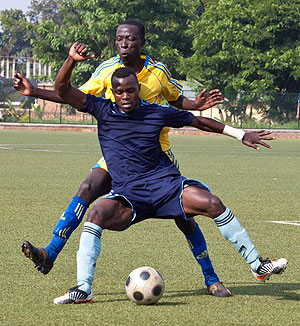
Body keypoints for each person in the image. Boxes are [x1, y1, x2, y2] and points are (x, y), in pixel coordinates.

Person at [51, 43, 287, 304]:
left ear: (138, 89)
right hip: (129, 195)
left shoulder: (156, 112)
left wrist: (241, 134)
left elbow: (198, 121)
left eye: (131, 90)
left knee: (212, 203)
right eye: (120, 92)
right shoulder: (102, 109)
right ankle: (84, 289)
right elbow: (62, 90)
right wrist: (71, 60)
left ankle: (257, 265)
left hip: (167, 187)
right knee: (95, 215)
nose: (126, 95)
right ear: (113, 93)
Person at [15, 20, 229, 297]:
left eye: (130, 39)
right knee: (87, 188)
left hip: (157, 158)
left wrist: (196, 105)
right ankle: (50, 253)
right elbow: (70, 94)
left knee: (185, 218)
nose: (124, 43)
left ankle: (211, 278)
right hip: (118, 155)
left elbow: (176, 100)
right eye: (119, 39)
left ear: (142, 42)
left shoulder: (158, 71)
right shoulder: (107, 71)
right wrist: (34, 92)